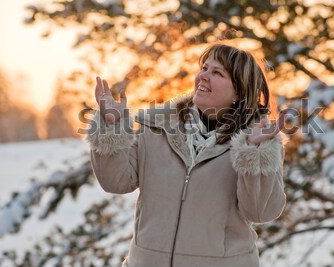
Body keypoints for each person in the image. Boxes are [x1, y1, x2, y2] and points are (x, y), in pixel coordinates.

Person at [87, 43, 286, 267]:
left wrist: (254, 153)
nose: (203, 76)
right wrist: (111, 126)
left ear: (239, 91)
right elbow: (116, 182)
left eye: (217, 72)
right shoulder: (156, 128)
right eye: (204, 68)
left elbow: (260, 212)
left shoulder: (257, 142)